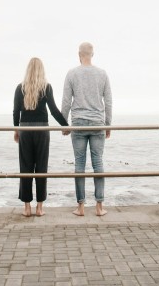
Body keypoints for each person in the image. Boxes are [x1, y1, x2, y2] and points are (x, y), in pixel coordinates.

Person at [61, 41, 112, 217]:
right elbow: (108, 101)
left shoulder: (72, 74)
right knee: (98, 162)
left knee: (80, 164)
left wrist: (64, 125)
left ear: (79, 54)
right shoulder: (102, 74)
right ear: (92, 54)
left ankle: (81, 207)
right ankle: (99, 206)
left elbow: (66, 101)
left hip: (79, 123)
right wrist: (108, 124)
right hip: (98, 122)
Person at [13, 57, 69, 217]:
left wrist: (16, 130)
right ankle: (39, 207)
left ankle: (26, 208)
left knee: (26, 167)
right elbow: (53, 110)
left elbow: (16, 111)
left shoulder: (20, 88)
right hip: (42, 130)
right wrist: (65, 126)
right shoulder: (46, 87)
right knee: (41, 167)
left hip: (25, 130)